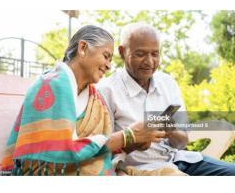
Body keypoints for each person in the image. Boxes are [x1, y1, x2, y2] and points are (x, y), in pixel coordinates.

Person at [1, 25, 169, 176]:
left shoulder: (94, 97)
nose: (109, 65)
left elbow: (96, 150)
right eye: (106, 56)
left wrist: (134, 142)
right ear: (83, 48)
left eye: (155, 54)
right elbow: (58, 152)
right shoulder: (51, 85)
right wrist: (128, 136)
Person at [97, 23, 235, 176]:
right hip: (140, 170)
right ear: (122, 52)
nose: (149, 62)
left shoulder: (168, 83)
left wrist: (171, 130)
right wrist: (136, 139)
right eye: (140, 54)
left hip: (178, 160)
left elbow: (182, 142)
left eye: (155, 54)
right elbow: (101, 150)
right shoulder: (106, 90)